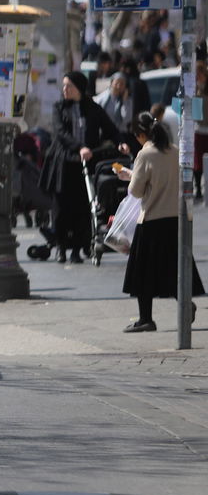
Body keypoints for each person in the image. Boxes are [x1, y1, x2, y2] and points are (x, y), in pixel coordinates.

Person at [116, 113, 204, 332]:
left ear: (142, 134)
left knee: (143, 273)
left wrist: (129, 176)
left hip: (151, 219)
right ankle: (185, 303)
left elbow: (135, 191)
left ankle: (146, 318)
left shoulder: (145, 154)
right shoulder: (175, 151)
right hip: (176, 218)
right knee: (172, 268)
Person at [38, 72, 122, 264]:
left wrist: (120, 143)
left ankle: (77, 248)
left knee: (82, 209)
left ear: (79, 89)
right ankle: (60, 247)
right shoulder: (59, 107)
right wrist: (79, 147)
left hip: (84, 166)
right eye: (64, 86)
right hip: (63, 163)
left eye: (70, 86)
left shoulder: (93, 108)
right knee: (60, 209)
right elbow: (60, 132)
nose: (65, 90)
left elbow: (110, 128)